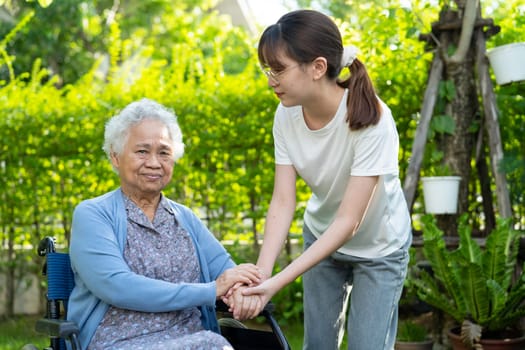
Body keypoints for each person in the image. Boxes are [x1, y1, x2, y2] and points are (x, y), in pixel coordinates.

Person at [237, 9, 412, 350]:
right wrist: (260, 275)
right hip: (321, 236)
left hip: (379, 248)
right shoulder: (285, 113)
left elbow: (349, 221)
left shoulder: (372, 119)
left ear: (318, 67)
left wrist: (276, 283)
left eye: (279, 69)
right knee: (317, 345)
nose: (271, 79)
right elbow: (283, 200)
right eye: (267, 69)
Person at [67, 98, 262, 350]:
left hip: (192, 337)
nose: (154, 163)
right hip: (119, 341)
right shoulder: (93, 214)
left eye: (164, 152)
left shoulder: (184, 219)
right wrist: (211, 290)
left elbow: (226, 270)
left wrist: (238, 289)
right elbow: (118, 287)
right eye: (142, 151)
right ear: (115, 157)